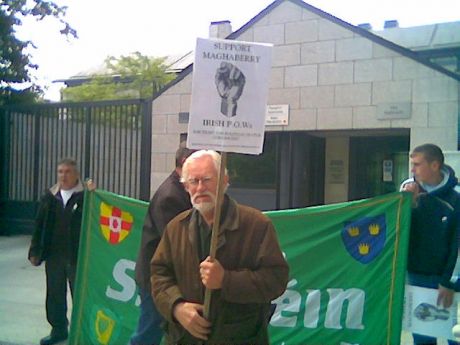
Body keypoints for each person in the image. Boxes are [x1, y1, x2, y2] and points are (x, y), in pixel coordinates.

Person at [151, 150, 289, 344]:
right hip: (183, 338)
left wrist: (226, 280)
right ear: (185, 187)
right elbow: (159, 275)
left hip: (239, 337)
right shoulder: (176, 228)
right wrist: (177, 307)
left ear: (224, 181)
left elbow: (276, 280)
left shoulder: (256, 225)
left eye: (207, 180)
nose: (200, 188)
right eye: (193, 181)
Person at [130, 143, 195, 345]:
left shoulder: (180, 189)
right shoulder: (170, 196)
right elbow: (178, 242)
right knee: (149, 331)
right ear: (185, 163)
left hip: (161, 276)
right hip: (156, 279)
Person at [28, 158, 94, 345]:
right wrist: (35, 250)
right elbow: (39, 225)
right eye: (60, 172)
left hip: (77, 256)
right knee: (55, 295)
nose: (63, 176)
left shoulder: (86, 198)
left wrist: (94, 193)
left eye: (68, 172)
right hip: (54, 255)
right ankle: (58, 330)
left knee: (80, 296)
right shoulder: (50, 197)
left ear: (76, 175)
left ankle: (83, 331)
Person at [401, 143, 460, 345]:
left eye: (417, 164)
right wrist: (409, 203)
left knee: (453, 336)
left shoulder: (456, 195)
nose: (412, 170)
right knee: (423, 338)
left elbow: (458, 243)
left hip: (448, 279)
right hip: (417, 275)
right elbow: (399, 229)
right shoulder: (408, 189)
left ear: (435, 165)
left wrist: (450, 281)